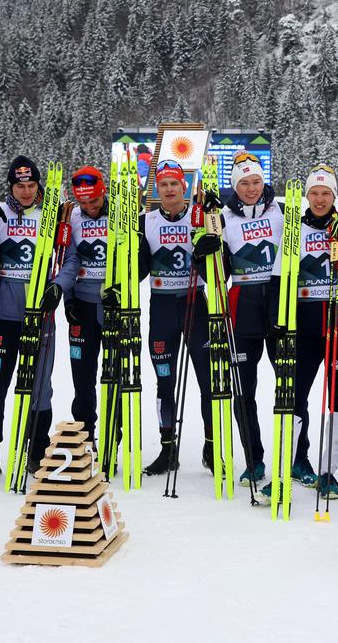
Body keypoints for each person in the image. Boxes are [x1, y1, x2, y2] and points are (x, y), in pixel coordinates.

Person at [260, 164, 338, 501]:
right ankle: (284, 469)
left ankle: (328, 470)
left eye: (325, 193)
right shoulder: (293, 230)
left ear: (333, 196)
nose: (319, 199)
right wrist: (276, 320)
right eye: (314, 193)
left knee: (337, 399)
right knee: (293, 398)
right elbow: (276, 279)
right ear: (306, 196)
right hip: (301, 326)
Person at [193, 153, 283, 486]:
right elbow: (218, 273)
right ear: (235, 185)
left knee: (289, 391)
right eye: (244, 183)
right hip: (241, 313)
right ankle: (254, 459)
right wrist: (202, 255)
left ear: (264, 182)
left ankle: (293, 457)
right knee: (244, 392)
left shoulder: (281, 212)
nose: (251, 188)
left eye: (256, 181)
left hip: (277, 311)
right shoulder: (223, 218)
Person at [0, 156, 61, 484]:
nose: (26, 191)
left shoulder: (50, 215)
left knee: (40, 386)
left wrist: (57, 287)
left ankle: (37, 451)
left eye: (31, 185)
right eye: (19, 186)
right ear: (10, 186)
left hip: (40, 314)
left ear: (38, 186)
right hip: (4, 316)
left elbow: (67, 256)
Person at [134, 159, 213, 476]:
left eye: (174, 184)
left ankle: (212, 446)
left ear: (185, 187)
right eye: (163, 184)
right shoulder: (145, 221)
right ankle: (168, 451)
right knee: (165, 382)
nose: (169, 189)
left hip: (196, 305)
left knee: (208, 382)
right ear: (157, 189)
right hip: (163, 308)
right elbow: (137, 274)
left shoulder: (200, 218)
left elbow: (215, 272)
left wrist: (207, 245)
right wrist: (136, 247)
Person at [53, 166, 108, 445]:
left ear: (104, 192)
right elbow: (68, 259)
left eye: (94, 202)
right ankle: (86, 433)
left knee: (115, 374)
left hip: (114, 305)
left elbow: (136, 260)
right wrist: (68, 298)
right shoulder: (71, 218)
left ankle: (114, 434)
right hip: (83, 305)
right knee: (83, 377)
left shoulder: (121, 215)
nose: (90, 207)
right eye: (84, 203)